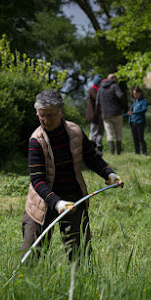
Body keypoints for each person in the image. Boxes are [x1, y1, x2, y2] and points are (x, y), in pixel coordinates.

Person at [21, 90, 123, 263]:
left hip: (73, 198)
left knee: (80, 254)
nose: (46, 120)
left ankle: (81, 286)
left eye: (51, 115)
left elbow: (92, 157)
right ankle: (26, 286)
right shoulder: (36, 140)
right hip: (42, 200)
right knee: (31, 254)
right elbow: (37, 181)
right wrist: (57, 203)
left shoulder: (75, 131)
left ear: (62, 112)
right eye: (42, 115)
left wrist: (109, 173)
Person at [96, 73, 126, 155]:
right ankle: (118, 152)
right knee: (118, 133)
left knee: (109, 134)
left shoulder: (100, 89)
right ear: (113, 79)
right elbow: (121, 96)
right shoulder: (115, 86)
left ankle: (112, 152)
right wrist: (124, 106)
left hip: (105, 115)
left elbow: (97, 103)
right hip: (116, 112)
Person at [86, 75, 104, 154]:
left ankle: (99, 147)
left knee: (100, 131)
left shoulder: (97, 90)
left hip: (99, 115)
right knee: (93, 132)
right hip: (94, 115)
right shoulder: (92, 90)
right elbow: (98, 99)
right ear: (98, 83)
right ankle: (91, 148)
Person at [127, 87, 148, 155]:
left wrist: (135, 113)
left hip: (140, 121)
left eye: (136, 94)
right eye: (134, 94)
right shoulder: (134, 102)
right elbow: (132, 110)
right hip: (133, 121)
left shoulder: (143, 101)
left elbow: (144, 109)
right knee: (135, 137)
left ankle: (144, 151)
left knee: (140, 137)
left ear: (140, 93)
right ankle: (137, 152)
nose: (135, 95)